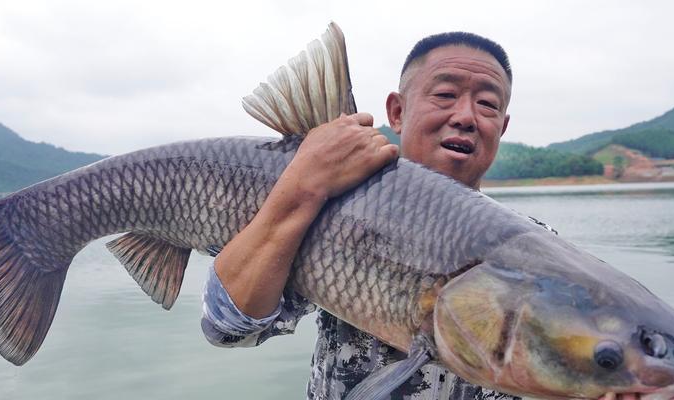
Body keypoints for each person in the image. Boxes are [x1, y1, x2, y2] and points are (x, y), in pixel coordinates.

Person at [202, 32, 524, 399]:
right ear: (398, 112)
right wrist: (304, 185)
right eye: (445, 95)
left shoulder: (534, 248)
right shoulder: (336, 211)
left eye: (487, 104)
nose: (466, 116)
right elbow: (227, 327)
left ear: (503, 125)